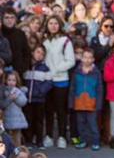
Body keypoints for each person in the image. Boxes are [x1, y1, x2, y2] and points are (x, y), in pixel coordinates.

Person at [42, 16, 75, 149]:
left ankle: (62, 137)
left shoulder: (65, 41)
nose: (53, 26)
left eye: (56, 23)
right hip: (47, 80)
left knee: (61, 110)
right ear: (47, 25)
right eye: (51, 23)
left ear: (60, 25)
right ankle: (48, 136)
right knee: (48, 111)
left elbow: (71, 61)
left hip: (61, 80)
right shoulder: (44, 40)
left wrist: (56, 70)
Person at [68, 48, 103, 151]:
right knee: (80, 125)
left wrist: (98, 104)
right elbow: (72, 88)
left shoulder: (96, 73)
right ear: (81, 58)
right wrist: (71, 103)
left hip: (91, 103)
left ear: (93, 59)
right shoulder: (77, 72)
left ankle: (95, 142)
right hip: (79, 103)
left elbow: (99, 90)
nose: (87, 60)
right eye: (85, 57)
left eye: (89, 58)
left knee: (92, 125)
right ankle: (83, 141)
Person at [23, 45, 52, 150]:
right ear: (33, 53)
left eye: (42, 54)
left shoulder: (45, 68)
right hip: (28, 99)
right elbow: (23, 80)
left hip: (39, 99)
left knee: (39, 120)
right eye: (38, 52)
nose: (39, 55)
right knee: (29, 120)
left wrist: (41, 91)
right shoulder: (27, 66)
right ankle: (29, 140)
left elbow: (49, 82)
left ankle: (39, 141)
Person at [1, 7, 30, 76]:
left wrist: (23, 68)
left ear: (15, 19)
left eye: (12, 18)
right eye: (7, 18)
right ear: (2, 19)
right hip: (2, 72)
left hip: (17, 72)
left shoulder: (20, 34)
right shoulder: (0, 34)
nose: (9, 20)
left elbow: (27, 53)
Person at [3, 71, 27, 147]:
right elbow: (3, 104)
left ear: (17, 81)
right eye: (9, 80)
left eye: (13, 80)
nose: (11, 82)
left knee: (17, 139)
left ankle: (18, 153)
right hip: (6, 119)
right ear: (5, 81)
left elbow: (23, 102)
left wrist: (16, 98)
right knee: (6, 139)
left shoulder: (19, 91)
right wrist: (10, 98)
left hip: (17, 120)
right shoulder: (4, 91)